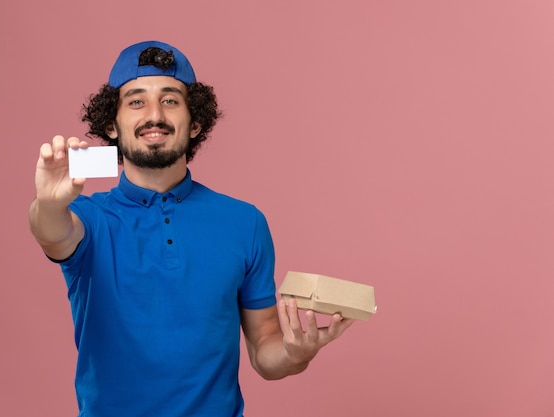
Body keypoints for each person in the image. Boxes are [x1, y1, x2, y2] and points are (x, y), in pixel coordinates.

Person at [29, 40, 354, 417]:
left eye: (170, 100)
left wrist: (296, 353)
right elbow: (51, 232)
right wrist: (49, 203)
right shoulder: (88, 218)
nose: (154, 115)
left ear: (195, 122)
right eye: (136, 101)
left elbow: (266, 348)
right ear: (111, 126)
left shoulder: (244, 222)